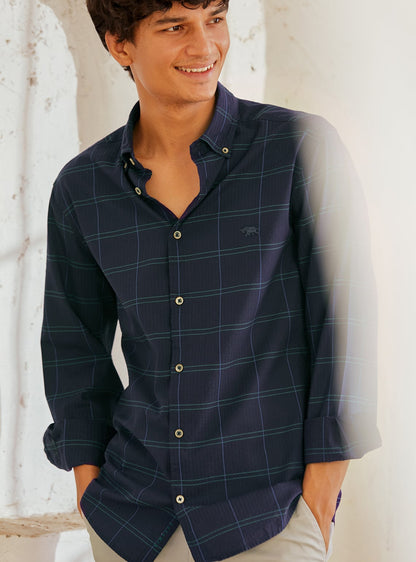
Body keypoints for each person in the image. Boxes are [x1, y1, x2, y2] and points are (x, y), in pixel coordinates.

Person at [41, 1, 381, 560]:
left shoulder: (297, 149)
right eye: (175, 26)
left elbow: (345, 322)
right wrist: (88, 481)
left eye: (215, 18)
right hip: (132, 520)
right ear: (119, 45)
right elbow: (72, 346)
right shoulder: (83, 189)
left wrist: (320, 496)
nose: (204, 46)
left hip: (269, 515)